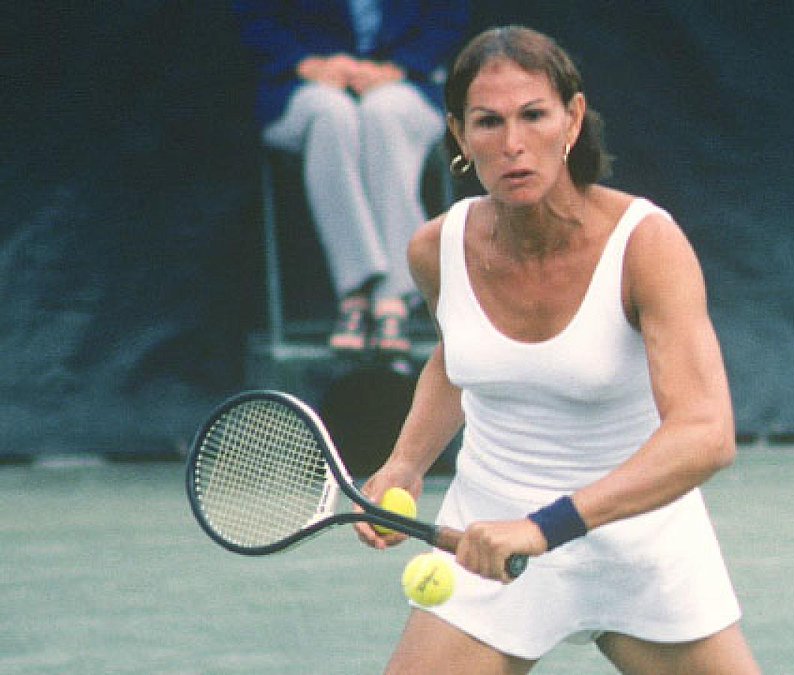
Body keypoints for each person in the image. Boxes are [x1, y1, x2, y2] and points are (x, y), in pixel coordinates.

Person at [353, 25, 760, 674]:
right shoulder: (436, 249)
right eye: (488, 122)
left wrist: (546, 526)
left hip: (638, 542)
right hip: (489, 538)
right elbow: (460, 358)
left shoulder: (646, 244)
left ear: (572, 119)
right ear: (459, 135)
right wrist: (405, 463)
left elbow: (706, 435)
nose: (512, 143)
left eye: (533, 115)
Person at [234, 1, 468, 354]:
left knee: (383, 112)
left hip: (407, 80)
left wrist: (398, 68)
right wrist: (307, 64)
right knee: (331, 114)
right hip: (301, 83)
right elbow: (255, 17)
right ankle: (358, 291)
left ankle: (392, 296)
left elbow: (447, 18)